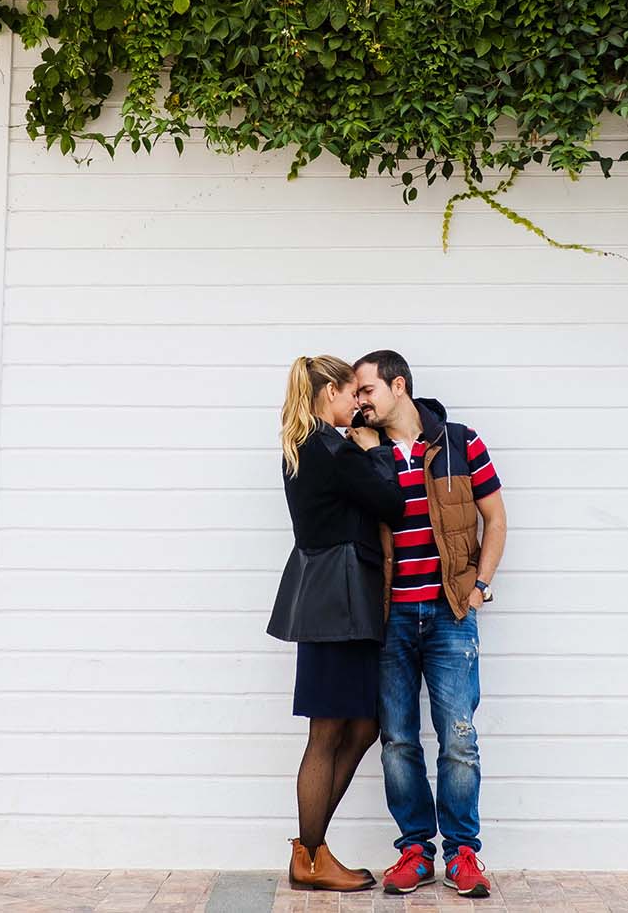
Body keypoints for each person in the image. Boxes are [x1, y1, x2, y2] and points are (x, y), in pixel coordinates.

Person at [353, 350, 507, 900]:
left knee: (459, 739)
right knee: (397, 741)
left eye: (366, 389)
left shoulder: (461, 443)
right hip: (390, 618)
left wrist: (481, 583)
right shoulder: (363, 452)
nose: (359, 401)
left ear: (399, 386)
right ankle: (415, 850)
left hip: (449, 614)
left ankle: (464, 852)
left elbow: (495, 517)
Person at [267, 355, 406, 892]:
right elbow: (391, 503)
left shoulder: (309, 445)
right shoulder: (333, 447)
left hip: (333, 595)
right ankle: (311, 854)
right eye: (352, 393)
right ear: (329, 393)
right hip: (338, 599)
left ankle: (312, 850)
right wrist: (375, 452)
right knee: (327, 732)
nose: (359, 404)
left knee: (361, 724)